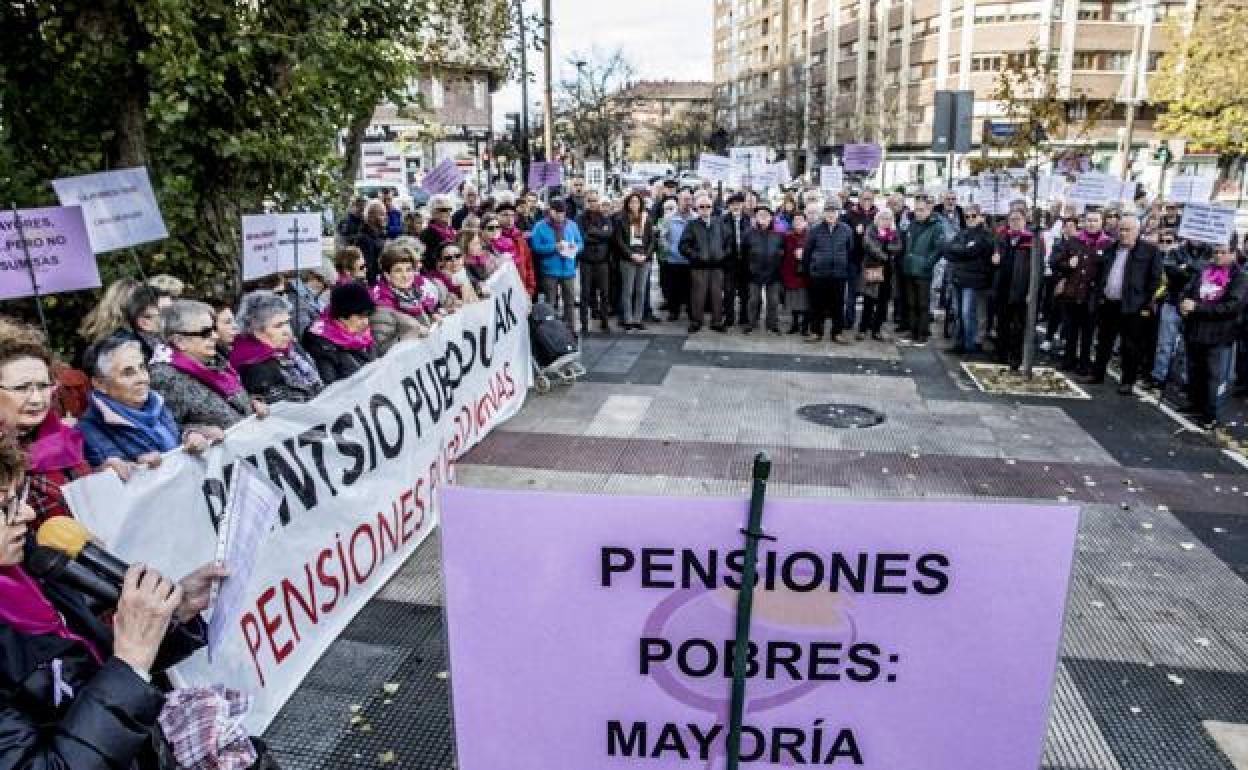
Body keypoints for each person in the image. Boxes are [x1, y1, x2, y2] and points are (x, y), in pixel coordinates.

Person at [0, 433, 235, 769]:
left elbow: (95, 672)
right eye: (5, 505)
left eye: (19, 494)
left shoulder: (31, 566)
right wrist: (131, 661)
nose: (24, 513)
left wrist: (169, 618)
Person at [0, 323, 93, 523]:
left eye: (43, 386)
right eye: (22, 388)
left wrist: (107, 478)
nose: (37, 399)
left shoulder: (65, 439)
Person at [78, 337, 215, 467]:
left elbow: (177, 437)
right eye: (128, 373)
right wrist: (138, 467)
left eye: (142, 367)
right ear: (100, 384)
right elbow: (120, 480)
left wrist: (192, 435)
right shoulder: (89, 429)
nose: (142, 378)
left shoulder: (155, 404)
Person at [149, 299, 265, 437]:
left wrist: (253, 403)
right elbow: (168, 429)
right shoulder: (163, 376)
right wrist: (196, 432)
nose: (215, 336)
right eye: (205, 333)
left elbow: (232, 401)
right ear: (179, 341)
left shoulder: (212, 359)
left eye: (214, 329)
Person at [1087, 215, 1163, 393]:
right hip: (1109, 303)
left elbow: (1155, 279)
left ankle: (1127, 381)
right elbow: (1100, 273)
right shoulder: (1110, 248)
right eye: (1121, 229)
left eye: (1128, 230)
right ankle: (1097, 373)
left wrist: (1144, 301)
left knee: (1130, 345)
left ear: (1137, 232)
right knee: (1104, 341)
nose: (1123, 233)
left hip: (1133, 306)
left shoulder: (1150, 251)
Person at [1180, 241, 1247, 443]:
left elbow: (1232, 306)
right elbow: (1188, 290)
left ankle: (1211, 414)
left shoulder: (1240, 277)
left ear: (1233, 254)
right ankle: (1195, 404)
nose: (1218, 256)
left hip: (1219, 333)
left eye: (1223, 252)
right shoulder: (1204, 270)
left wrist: (1197, 308)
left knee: (1214, 375)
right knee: (1195, 369)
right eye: (1215, 252)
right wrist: (1183, 303)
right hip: (1196, 329)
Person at [231, 292, 324, 404]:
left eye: (287, 322)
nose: (287, 331)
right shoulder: (254, 369)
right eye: (278, 325)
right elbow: (286, 410)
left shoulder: (290, 347)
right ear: (257, 331)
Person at [1151, 234, 1201, 392]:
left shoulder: (1210, 253)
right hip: (1172, 301)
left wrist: (1186, 267)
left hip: (1195, 306)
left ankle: (1186, 381)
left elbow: (1206, 274)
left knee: (1188, 347)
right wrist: (1193, 271)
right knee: (1164, 344)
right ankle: (1159, 376)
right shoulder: (1176, 251)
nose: (1197, 237)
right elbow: (1171, 271)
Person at [941, 205, 994, 354]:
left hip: (973, 280)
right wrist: (962, 250)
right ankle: (959, 343)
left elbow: (973, 250)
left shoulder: (985, 235)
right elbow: (947, 249)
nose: (970, 219)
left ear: (980, 217)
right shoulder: (962, 233)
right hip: (958, 277)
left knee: (967, 314)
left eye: (973, 216)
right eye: (967, 216)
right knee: (958, 314)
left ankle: (969, 346)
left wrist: (960, 250)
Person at [1049, 217, 1099, 375]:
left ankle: (1084, 364)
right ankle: (1068, 360)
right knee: (1071, 329)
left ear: (1101, 223)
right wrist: (1067, 264)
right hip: (1072, 293)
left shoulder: (1107, 244)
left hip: (1091, 296)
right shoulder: (1073, 241)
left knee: (1087, 332)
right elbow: (1057, 263)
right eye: (1089, 220)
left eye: (1095, 221)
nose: (1091, 223)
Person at [303, 281, 379, 385]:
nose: (366, 322)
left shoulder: (364, 334)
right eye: (360, 317)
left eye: (367, 316)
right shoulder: (322, 345)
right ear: (342, 316)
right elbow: (332, 388)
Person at [679, 193, 732, 333]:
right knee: (698, 296)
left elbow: (729, 242)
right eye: (701, 206)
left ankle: (717, 321)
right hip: (699, 267)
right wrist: (696, 256)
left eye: (708, 206)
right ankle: (696, 321)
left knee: (716, 295)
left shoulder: (719, 223)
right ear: (697, 208)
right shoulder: (692, 225)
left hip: (717, 266)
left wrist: (723, 255)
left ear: (712, 208)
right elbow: (683, 246)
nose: (705, 209)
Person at [803, 202, 855, 344]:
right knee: (817, 305)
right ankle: (815, 331)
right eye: (828, 211)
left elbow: (850, 251)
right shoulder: (815, 230)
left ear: (838, 213)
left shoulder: (846, 230)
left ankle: (837, 333)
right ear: (823, 213)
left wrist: (845, 268)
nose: (831, 214)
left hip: (838, 274)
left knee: (838, 305)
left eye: (833, 211)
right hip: (818, 274)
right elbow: (807, 252)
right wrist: (809, 270)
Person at [530, 200, 585, 334]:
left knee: (569, 302)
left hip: (568, 270)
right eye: (558, 212)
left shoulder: (571, 225)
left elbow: (580, 242)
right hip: (549, 270)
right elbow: (536, 247)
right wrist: (554, 247)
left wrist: (575, 248)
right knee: (550, 303)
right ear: (551, 211)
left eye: (563, 213)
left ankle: (570, 330)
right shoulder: (540, 226)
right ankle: (552, 331)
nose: (561, 216)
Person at [992, 210, 1036, 370]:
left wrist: (1031, 291)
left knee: (1018, 326)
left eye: (1018, 219)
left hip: (1020, 289)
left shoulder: (1032, 241)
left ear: (1025, 221)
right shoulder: (1002, 238)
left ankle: (1015, 356)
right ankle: (1001, 353)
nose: (1015, 222)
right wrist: (995, 260)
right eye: (1012, 220)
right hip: (1003, 287)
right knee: (1002, 323)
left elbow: (1036, 269)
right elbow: (994, 260)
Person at [898, 197, 946, 345]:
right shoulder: (912, 224)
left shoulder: (936, 226)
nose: (918, 213)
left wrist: (927, 263)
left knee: (923, 304)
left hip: (923, 270)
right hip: (909, 268)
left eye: (921, 210)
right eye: (916, 209)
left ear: (929, 210)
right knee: (911, 303)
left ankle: (922, 333)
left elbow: (939, 248)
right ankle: (912, 331)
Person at [613, 192, 657, 331]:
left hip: (644, 259)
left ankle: (638, 319)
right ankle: (628, 319)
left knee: (640, 290)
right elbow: (619, 241)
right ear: (627, 204)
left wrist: (645, 255)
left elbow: (652, 240)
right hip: (628, 259)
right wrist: (631, 254)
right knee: (627, 290)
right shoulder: (621, 219)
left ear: (641, 204)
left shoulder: (647, 219)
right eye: (632, 202)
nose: (634, 205)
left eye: (637, 202)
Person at [860, 208, 904, 341]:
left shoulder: (894, 232)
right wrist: (886, 255)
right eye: (883, 218)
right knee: (868, 300)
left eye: (889, 219)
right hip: (873, 268)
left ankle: (876, 330)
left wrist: (887, 248)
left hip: (888, 272)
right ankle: (862, 329)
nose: (886, 221)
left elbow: (899, 247)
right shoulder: (871, 229)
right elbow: (869, 245)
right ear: (878, 219)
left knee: (882, 303)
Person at [371, 242, 442, 322]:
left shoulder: (413, 290)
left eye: (408, 269)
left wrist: (431, 315)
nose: (405, 276)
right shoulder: (382, 301)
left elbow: (423, 307)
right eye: (398, 271)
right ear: (387, 275)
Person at [742, 205, 785, 334]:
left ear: (771, 218)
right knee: (754, 300)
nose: (763, 217)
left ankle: (772, 324)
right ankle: (751, 323)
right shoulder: (748, 233)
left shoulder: (778, 235)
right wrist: (748, 269)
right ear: (755, 217)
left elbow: (784, 252)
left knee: (773, 301)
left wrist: (779, 267)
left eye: (766, 215)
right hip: (754, 273)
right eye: (760, 214)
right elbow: (743, 254)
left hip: (773, 273)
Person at [575, 190, 614, 335]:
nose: (593, 203)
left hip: (602, 261)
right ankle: (584, 324)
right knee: (585, 293)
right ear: (586, 202)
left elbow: (609, 234)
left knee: (604, 293)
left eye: (595, 200)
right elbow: (582, 237)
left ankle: (604, 322)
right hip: (586, 261)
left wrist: (593, 232)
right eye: (590, 200)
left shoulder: (605, 217)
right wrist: (599, 234)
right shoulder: (580, 218)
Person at [844, 189, 879, 331]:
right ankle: (849, 321)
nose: (867, 201)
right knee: (851, 292)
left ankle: (867, 322)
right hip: (854, 259)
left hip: (873, 261)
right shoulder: (850, 214)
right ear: (859, 199)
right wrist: (854, 231)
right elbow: (844, 234)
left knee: (870, 294)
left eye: (870, 198)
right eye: (864, 198)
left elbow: (886, 234)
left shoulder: (878, 214)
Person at [659, 193, 693, 321]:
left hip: (690, 259)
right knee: (673, 288)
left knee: (690, 288)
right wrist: (668, 250)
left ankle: (691, 311)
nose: (687, 202)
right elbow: (662, 237)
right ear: (678, 201)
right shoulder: (668, 218)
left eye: (690, 199)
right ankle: (674, 311)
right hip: (673, 259)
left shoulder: (695, 218)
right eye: (685, 199)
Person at [722, 193, 752, 328]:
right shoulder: (723, 220)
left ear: (742, 205)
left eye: (739, 204)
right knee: (729, 292)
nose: (736, 206)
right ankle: (729, 318)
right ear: (729, 206)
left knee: (745, 292)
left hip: (745, 262)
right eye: (733, 204)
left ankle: (744, 317)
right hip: (729, 262)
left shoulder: (749, 220)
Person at [495, 202, 537, 297]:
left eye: (512, 215)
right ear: (497, 216)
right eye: (505, 215)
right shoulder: (494, 237)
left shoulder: (519, 238)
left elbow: (528, 264)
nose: (509, 218)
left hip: (521, 287)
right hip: (502, 290)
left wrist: (530, 287)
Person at [781, 211, 811, 335]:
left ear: (805, 222)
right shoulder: (787, 237)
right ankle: (794, 324)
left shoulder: (811, 236)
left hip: (806, 273)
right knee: (794, 300)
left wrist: (805, 255)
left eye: (800, 220)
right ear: (792, 223)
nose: (798, 222)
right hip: (791, 272)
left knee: (806, 301)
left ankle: (805, 326)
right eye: (795, 220)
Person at [349, 200, 389, 284]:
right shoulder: (363, 239)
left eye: (385, 214)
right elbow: (368, 270)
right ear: (370, 217)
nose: (386, 217)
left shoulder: (381, 235)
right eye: (382, 214)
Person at [421, 195, 458, 259]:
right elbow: (428, 258)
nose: (448, 212)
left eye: (449, 209)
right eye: (443, 210)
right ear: (433, 212)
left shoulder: (453, 231)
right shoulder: (427, 234)